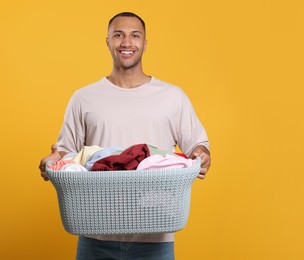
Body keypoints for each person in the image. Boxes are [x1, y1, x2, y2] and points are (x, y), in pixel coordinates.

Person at [39, 11, 211, 260]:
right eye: (118, 35)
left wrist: (202, 155)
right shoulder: (83, 98)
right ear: (107, 41)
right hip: (95, 235)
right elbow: (66, 156)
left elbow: (198, 146)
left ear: (145, 43)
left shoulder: (173, 97)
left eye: (135, 35)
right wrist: (52, 161)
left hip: (155, 236)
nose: (127, 43)